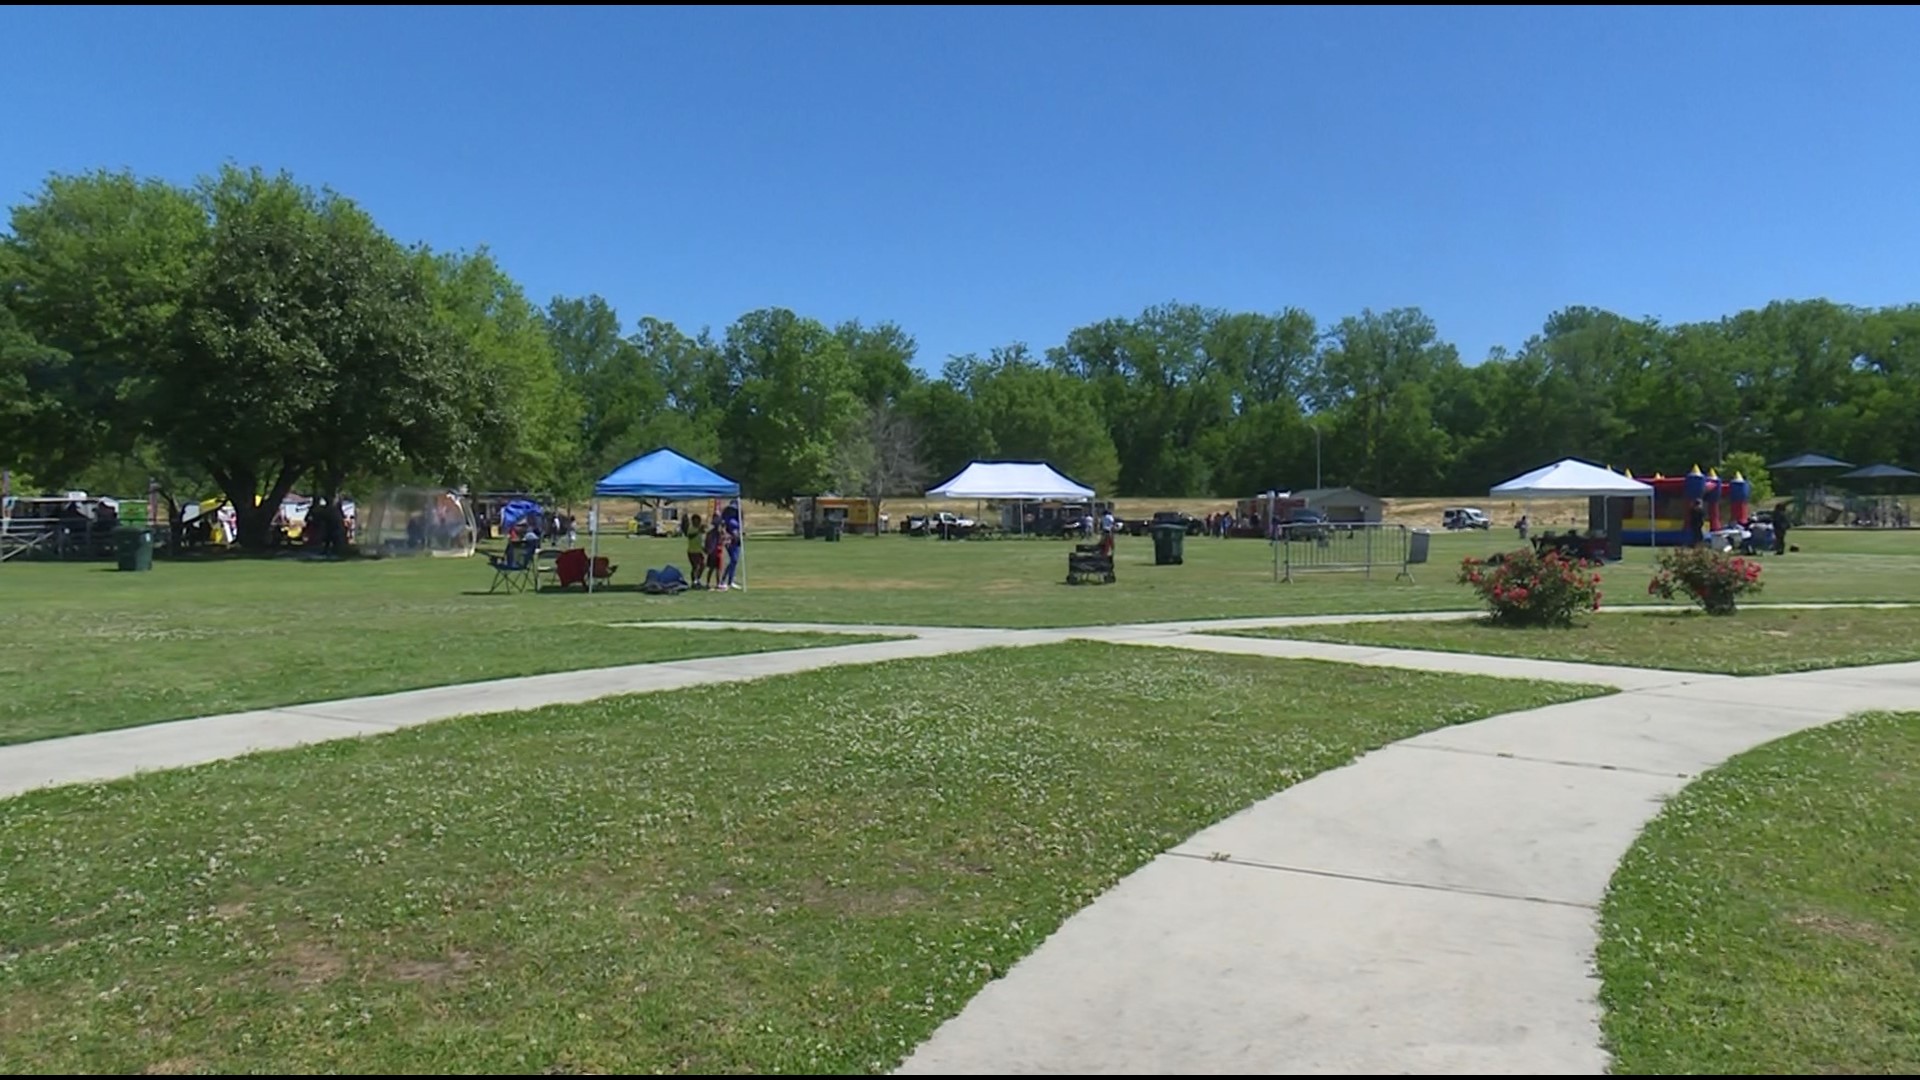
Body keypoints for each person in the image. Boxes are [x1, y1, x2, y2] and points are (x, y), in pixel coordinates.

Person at [720, 515, 742, 591]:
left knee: (734, 561)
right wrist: (726, 536)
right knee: (734, 560)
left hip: (737, 541)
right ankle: (724, 580)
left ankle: (730, 580)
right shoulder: (727, 517)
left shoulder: (738, 516)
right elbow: (723, 528)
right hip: (730, 541)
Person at [684, 513, 706, 583]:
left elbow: (701, 540)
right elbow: (690, 536)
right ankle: (694, 581)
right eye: (695, 521)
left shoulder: (699, 529)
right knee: (695, 567)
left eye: (698, 521)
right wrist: (698, 531)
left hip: (699, 551)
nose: (697, 522)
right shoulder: (691, 529)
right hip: (692, 551)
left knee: (703, 565)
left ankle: (697, 579)